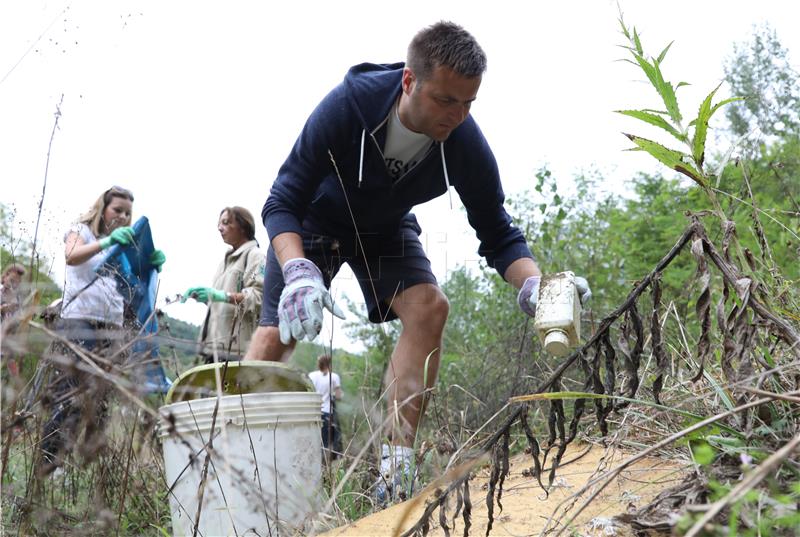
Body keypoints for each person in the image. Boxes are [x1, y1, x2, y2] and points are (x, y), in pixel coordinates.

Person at [244, 22, 591, 501]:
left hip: (386, 227)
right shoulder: (350, 105)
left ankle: (394, 474)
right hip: (315, 221)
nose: (458, 115)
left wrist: (536, 286)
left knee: (430, 307)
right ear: (409, 81)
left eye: (469, 102)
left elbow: (498, 232)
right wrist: (298, 270)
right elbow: (282, 199)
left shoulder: (465, 142)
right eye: (446, 100)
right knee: (271, 338)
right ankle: (229, 456)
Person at [40, 185, 166, 474]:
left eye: (127, 213)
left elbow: (135, 289)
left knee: (101, 396)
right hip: (79, 320)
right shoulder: (82, 230)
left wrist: (150, 266)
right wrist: (107, 242)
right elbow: (71, 255)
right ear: (103, 208)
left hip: (112, 327)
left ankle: (88, 467)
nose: (122, 217)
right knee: (71, 389)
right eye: (117, 210)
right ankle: (50, 463)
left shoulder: (124, 247)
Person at [182, 207, 265, 361]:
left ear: (243, 226)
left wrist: (223, 296)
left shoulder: (256, 256)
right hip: (213, 350)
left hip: (237, 353)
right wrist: (206, 298)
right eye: (219, 224)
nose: (220, 228)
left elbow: (259, 298)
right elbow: (222, 303)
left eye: (226, 223)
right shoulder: (224, 263)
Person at [308, 354, 343, 459]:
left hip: (313, 412)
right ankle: (325, 464)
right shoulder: (334, 377)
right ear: (329, 363)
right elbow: (339, 396)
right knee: (326, 442)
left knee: (313, 439)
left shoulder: (312, 375)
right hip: (327, 412)